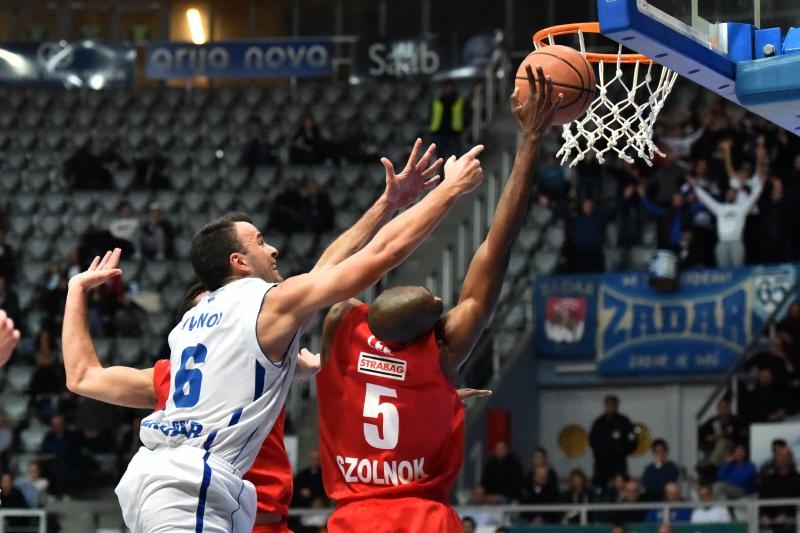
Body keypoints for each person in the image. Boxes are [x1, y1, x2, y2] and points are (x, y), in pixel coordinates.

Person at [66, 138, 484, 531]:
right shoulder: (263, 305)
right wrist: (449, 190)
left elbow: (82, 376)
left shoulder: (196, 327)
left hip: (177, 484)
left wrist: (74, 290)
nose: (273, 250)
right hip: (191, 485)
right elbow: (377, 258)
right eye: (261, 242)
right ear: (239, 263)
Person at [315, 66, 560, 532]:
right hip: (420, 516)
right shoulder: (443, 352)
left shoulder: (341, 322)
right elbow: (497, 246)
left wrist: (433, 402)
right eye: (437, 301)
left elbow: (329, 270)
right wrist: (530, 139)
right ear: (429, 331)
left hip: (352, 519)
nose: (443, 297)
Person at [688, 172, 765, 267]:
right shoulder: (720, 208)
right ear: (726, 195)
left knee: (737, 270)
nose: (731, 195)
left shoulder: (741, 208)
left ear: (736, 196)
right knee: (722, 271)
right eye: (729, 193)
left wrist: (760, 185)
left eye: (733, 193)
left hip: (736, 242)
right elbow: (706, 199)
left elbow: (753, 197)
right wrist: (696, 187)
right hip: (722, 242)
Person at [589, 395, 637, 489]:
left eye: (612, 405)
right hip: (601, 463)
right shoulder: (598, 423)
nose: (609, 407)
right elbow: (592, 440)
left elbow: (632, 439)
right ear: (604, 405)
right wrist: (598, 452)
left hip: (618, 463)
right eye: (608, 405)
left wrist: (623, 451)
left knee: (620, 486)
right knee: (601, 487)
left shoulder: (624, 421)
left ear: (616, 406)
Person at [757, 445, 800, 533]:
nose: (783, 459)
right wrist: (763, 515)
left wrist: (786, 515)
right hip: (766, 519)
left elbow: (797, 503)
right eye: (780, 456)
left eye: (786, 456)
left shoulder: (796, 479)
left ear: (790, 458)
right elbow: (761, 497)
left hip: (788, 519)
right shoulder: (768, 477)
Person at [698, 397, 747, 469]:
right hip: (714, 447)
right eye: (721, 408)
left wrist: (723, 436)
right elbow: (701, 433)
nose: (723, 410)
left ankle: (712, 466)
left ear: (729, 408)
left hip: (731, 445)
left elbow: (739, 436)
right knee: (722, 453)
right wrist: (709, 437)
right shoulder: (712, 421)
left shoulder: (736, 421)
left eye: (725, 407)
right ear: (718, 409)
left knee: (722, 443)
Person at [429, 79, 470, 158]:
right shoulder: (437, 102)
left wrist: (464, 125)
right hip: (439, 133)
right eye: (446, 87)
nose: (448, 89)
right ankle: (440, 170)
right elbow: (431, 116)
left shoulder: (460, 101)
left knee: (454, 157)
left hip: (454, 133)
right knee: (439, 158)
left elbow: (466, 115)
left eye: (450, 87)